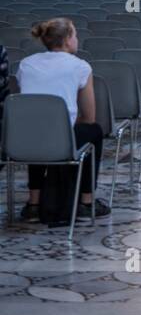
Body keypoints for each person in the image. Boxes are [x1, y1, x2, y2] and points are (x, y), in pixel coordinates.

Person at [17, 19, 109, 224]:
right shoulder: (80, 67)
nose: (77, 39)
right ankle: (86, 201)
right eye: (75, 35)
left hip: (22, 141)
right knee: (94, 130)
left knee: (37, 127)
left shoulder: (26, 64)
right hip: (60, 141)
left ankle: (34, 202)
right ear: (67, 40)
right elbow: (89, 117)